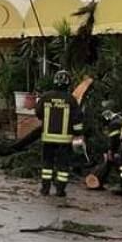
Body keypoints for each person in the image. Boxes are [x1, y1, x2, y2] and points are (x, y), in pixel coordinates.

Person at [35, 69, 84, 197]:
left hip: (48, 138)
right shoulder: (71, 100)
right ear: (68, 83)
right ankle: (60, 190)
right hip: (65, 140)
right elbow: (77, 119)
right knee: (63, 165)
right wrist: (79, 133)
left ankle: (45, 189)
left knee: (47, 164)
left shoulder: (46, 97)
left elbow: (38, 113)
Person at [86, 108, 122, 194]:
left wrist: (110, 151)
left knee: (121, 164)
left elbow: (114, 140)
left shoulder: (114, 124)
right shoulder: (121, 120)